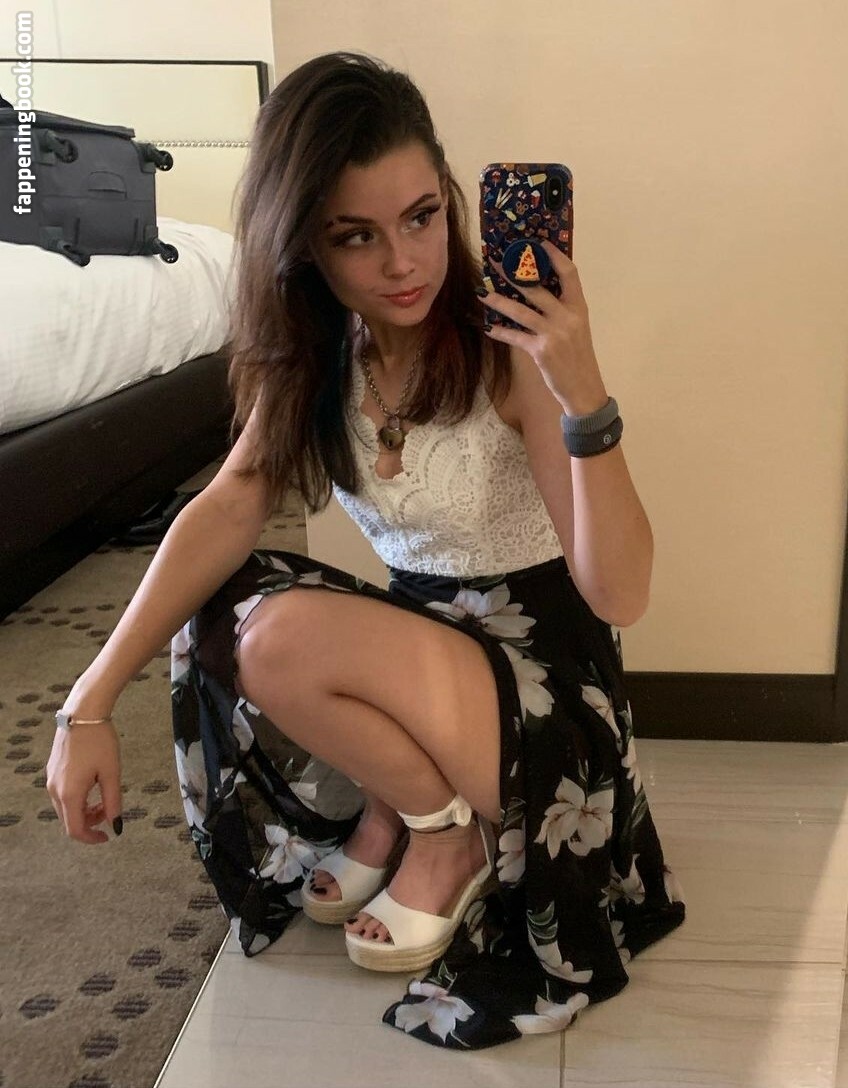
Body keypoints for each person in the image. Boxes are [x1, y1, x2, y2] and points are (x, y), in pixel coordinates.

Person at [45, 51, 685, 1050]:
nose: (402, 263)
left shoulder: (507, 352)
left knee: (282, 633)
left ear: (450, 202)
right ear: (304, 243)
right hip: (423, 657)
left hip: (545, 699)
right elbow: (226, 506)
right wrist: (86, 702)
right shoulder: (317, 359)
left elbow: (623, 594)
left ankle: (441, 830)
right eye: (357, 235)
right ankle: (428, 811)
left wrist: (583, 393)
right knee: (235, 614)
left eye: (421, 217)